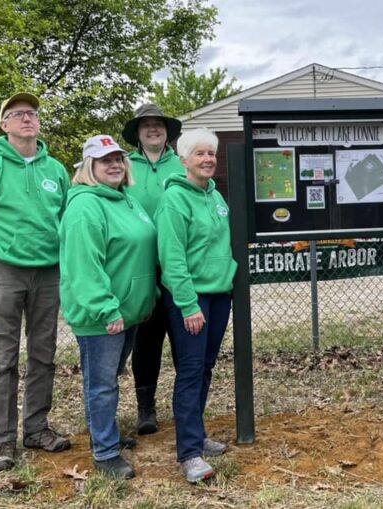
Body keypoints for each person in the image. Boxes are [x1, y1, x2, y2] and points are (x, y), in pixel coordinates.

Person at [0, 92, 71, 472]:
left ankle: (36, 428)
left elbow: (67, 222)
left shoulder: (55, 170)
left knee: (44, 354)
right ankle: (3, 442)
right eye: (18, 114)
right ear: (3, 124)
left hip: (48, 274)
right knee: (4, 360)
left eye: (33, 114)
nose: (28, 119)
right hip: (3, 272)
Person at [59, 134, 158, 478]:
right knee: (101, 384)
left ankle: (107, 435)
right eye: (105, 160)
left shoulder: (125, 199)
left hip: (128, 311)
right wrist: (106, 308)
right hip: (103, 316)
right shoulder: (85, 207)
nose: (114, 164)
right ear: (89, 167)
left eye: (118, 158)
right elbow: (84, 266)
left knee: (111, 378)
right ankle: (104, 452)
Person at [155, 128, 237, 483]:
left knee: (205, 367)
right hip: (191, 297)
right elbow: (172, 258)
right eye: (199, 154)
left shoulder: (216, 197)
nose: (207, 159)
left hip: (220, 294)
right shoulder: (174, 199)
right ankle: (189, 453)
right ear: (184, 160)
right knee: (189, 371)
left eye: (211, 153)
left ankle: (197, 433)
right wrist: (188, 304)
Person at [121, 103, 185, 435]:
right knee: (146, 342)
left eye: (158, 124)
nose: (153, 129)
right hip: (140, 268)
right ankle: (146, 408)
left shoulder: (182, 164)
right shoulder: (124, 167)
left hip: (178, 266)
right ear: (138, 132)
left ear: (167, 130)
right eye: (146, 125)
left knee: (183, 340)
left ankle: (185, 409)